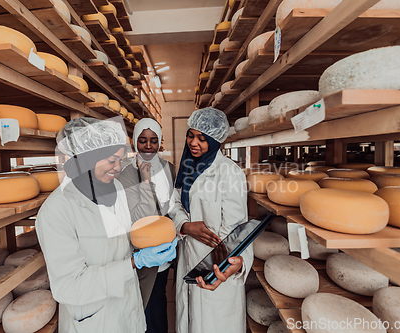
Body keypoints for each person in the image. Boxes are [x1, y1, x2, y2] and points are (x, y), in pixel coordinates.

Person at [35, 117, 178, 333]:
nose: (118, 167)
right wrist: (134, 262)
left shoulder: (116, 188)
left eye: (120, 159)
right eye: (112, 160)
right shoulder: (56, 211)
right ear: (85, 159)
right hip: (95, 322)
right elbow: (69, 287)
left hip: (129, 313)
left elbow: (120, 240)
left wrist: (147, 244)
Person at [168, 107, 252, 333]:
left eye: (202, 139)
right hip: (187, 256)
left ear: (216, 140)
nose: (193, 143)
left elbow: (238, 229)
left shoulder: (229, 173)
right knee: (188, 319)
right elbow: (174, 203)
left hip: (216, 262)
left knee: (213, 324)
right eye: (190, 135)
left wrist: (235, 264)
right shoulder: (186, 167)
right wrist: (185, 226)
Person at [118, 118, 176, 333]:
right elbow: (140, 217)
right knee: (145, 305)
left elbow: (173, 206)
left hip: (166, 250)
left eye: (153, 140)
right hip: (143, 252)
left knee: (159, 299)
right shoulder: (125, 174)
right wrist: (145, 181)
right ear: (135, 142)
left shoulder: (168, 168)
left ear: (160, 142)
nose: (148, 146)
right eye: (142, 141)